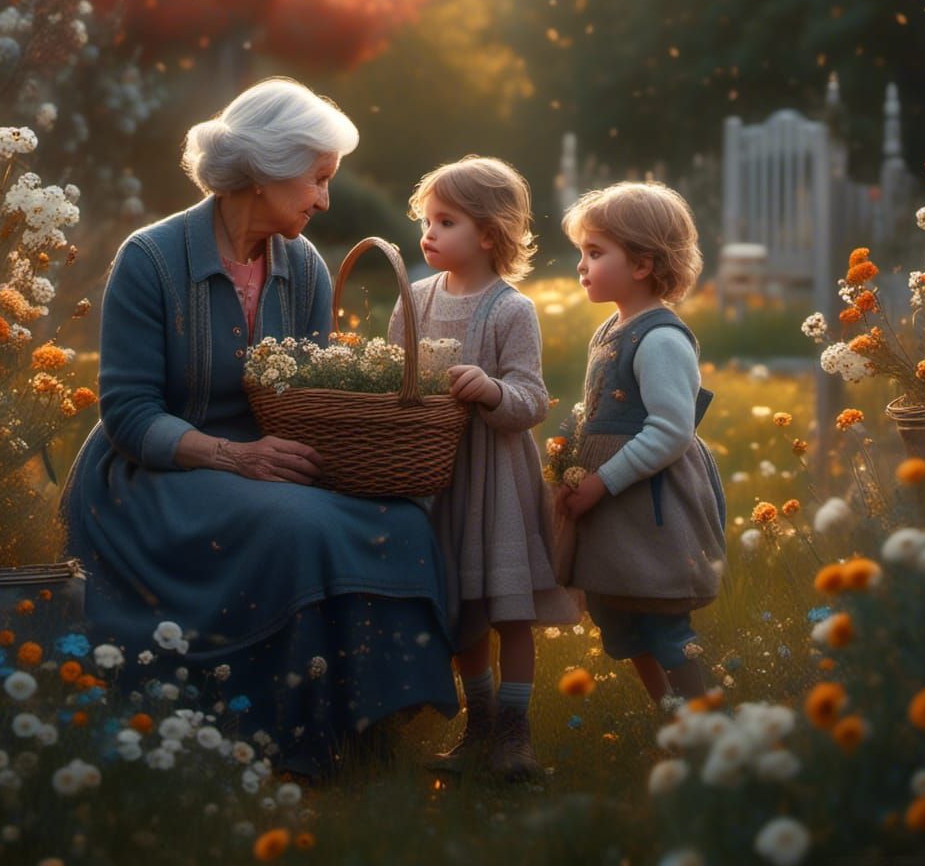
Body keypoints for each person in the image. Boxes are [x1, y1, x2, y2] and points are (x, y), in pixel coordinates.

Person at [61, 78, 457, 775]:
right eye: (318, 179)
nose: (326, 199)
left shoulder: (302, 265)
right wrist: (234, 457)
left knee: (401, 521)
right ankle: (287, 736)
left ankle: (366, 725)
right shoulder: (150, 260)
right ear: (268, 167)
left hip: (272, 469)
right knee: (298, 528)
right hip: (155, 475)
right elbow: (126, 414)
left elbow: (308, 400)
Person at [389, 155, 579, 780]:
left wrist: (491, 390)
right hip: (436, 477)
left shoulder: (509, 311)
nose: (429, 233)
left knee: (507, 606)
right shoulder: (412, 300)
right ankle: (479, 723)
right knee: (463, 606)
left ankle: (514, 735)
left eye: (447, 221)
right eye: (426, 220)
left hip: (495, 479)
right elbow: (393, 377)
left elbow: (530, 398)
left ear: (489, 234)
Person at [556, 181, 727, 705]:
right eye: (581, 253)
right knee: (621, 621)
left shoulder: (662, 340)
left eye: (595, 252)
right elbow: (602, 403)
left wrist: (602, 482)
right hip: (614, 507)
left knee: (660, 618)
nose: (581, 266)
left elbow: (672, 430)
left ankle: (704, 722)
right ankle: (670, 716)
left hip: (652, 505)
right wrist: (568, 440)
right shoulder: (612, 328)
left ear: (642, 265)